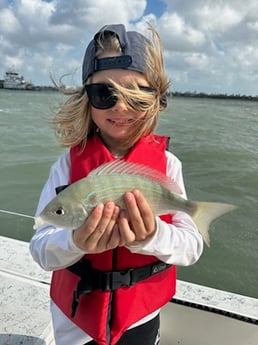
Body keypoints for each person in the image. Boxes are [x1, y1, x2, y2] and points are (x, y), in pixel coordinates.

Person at [30, 23, 203, 345]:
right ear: (86, 98)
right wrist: (76, 242)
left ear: (157, 100)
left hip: (141, 313)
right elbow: (41, 249)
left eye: (137, 96)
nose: (120, 107)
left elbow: (191, 248)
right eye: (104, 94)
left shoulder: (169, 165)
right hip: (75, 320)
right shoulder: (67, 166)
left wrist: (152, 235)